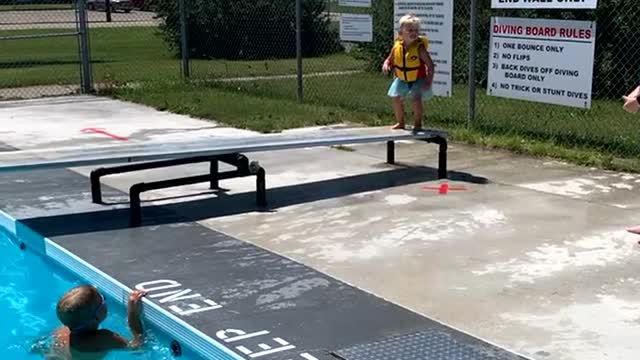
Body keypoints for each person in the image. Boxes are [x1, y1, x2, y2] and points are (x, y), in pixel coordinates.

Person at [42, 285, 147, 359]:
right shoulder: (105, 338)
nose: (105, 301)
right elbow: (137, 348)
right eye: (103, 299)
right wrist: (133, 313)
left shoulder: (61, 332)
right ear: (95, 318)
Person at [382, 13, 435, 131]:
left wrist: (428, 81)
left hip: (418, 78)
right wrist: (386, 64)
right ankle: (400, 122)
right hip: (402, 78)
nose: (413, 33)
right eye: (410, 30)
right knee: (396, 98)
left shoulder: (419, 48)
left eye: (416, 30)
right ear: (401, 32)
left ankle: (417, 124)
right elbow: (389, 59)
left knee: (416, 100)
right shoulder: (397, 46)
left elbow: (430, 66)